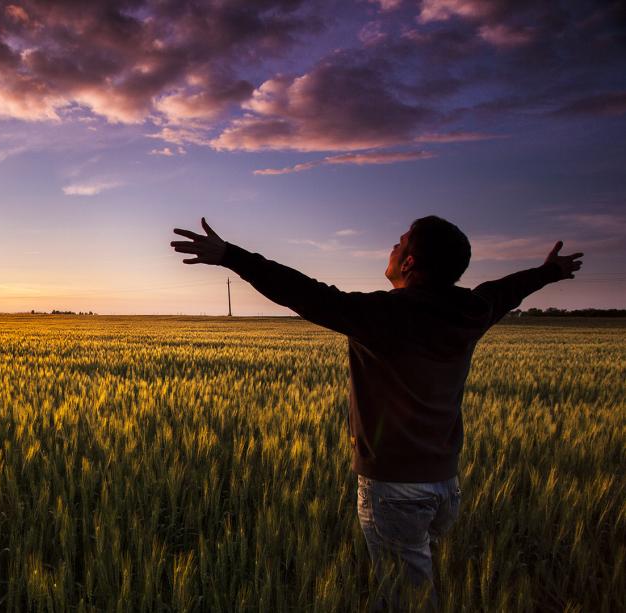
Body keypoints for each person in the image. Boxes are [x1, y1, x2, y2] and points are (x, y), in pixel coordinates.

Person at [170, 216, 583, 610]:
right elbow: (505, 290)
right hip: (445, 487)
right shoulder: (472, 310)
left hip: (395, 490)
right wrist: (548, 273)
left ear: (409, 262)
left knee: (409, 598)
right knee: (404, 578)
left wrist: (230, 255)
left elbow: (303, 292)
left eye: (401, 241)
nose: (393, 244)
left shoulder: (383, 315)